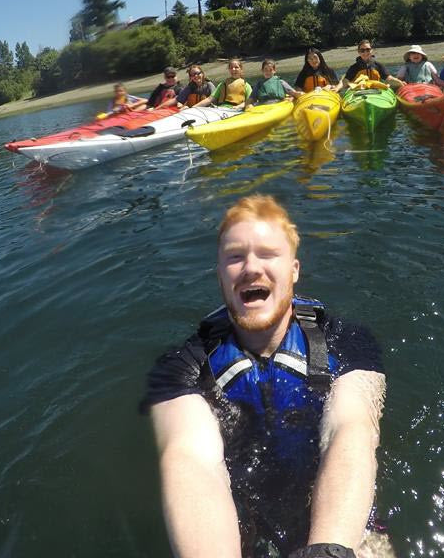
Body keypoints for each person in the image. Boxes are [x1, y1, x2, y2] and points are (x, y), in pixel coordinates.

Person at [142, 195, 386, 558]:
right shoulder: (182, 366)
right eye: (235, 257)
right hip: (237, 517)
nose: (251, 267)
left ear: (294, 270)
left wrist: (329, 549)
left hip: (341, 511)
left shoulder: (347, 341)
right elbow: (191, 458)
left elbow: (350, 429)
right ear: (220, 273)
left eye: (268, 254)